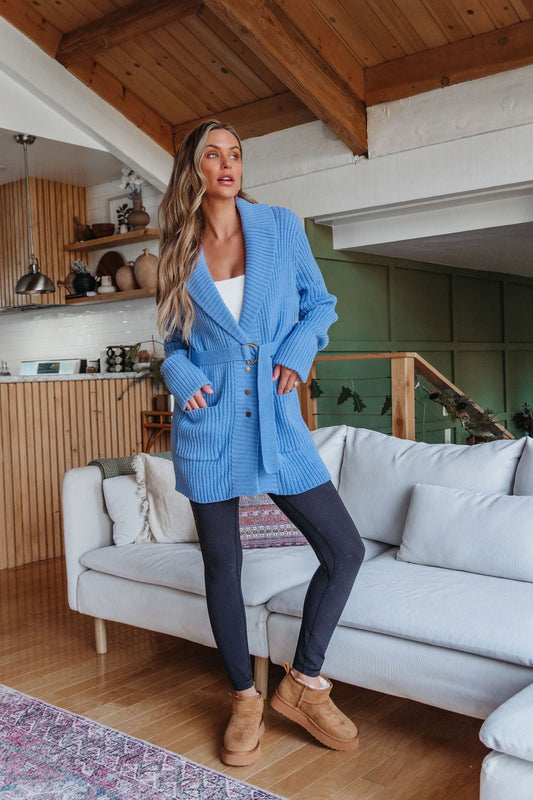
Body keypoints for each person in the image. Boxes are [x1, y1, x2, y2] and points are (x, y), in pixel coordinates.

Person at [157, 120, 365, 767]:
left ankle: (302, 683)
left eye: (235, 153)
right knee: (223, 566)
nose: (227, 164)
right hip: (208, 425)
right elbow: (169, 343)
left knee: (343, 549)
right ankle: (244, 696)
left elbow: (319, 303)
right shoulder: (173, 250)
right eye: (212, 154)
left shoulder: (279, 226)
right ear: (193, 169)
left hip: (276, 421)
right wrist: (179, 371)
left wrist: (301, 347)